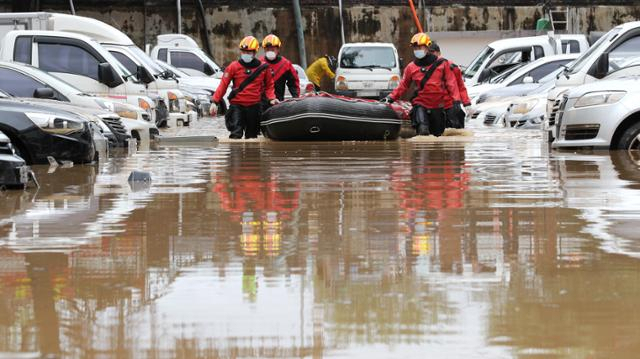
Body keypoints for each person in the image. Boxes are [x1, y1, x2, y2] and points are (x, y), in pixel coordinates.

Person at [381, 33, 460, 136]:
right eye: (415, 47)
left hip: (439, 106)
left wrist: (456, 101)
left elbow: (451, 84)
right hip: (421, 104)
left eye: (419, 47)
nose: (417, 49)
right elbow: (403, 85)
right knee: (423, 131)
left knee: (438, 134)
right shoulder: (411, 67)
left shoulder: (442, 64)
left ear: (427, 47)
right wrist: (391, 97)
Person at [210, 36, 278, 139]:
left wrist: (271, 99)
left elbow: (269, 86)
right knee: (235, 134)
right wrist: (215, 102)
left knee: (252, 136)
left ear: (255, 52)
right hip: (237, 107)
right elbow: (223, 85)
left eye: (249, 52)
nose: (246, 54)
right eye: (244, 52)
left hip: (254, 107)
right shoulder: (233, 67)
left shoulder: (264, 68)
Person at [430, 42, 471, 129]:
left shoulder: (452, 67)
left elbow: (460, 86)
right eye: (429, 53)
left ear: (439, 53)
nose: (431, 55)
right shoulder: (422, 69)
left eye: (433, 52)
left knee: (455, 135)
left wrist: (467, 103)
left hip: (451, 106)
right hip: (433, 108)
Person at [260, 34, 300, 102]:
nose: (270, 51)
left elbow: (293, 82)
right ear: (264, 50)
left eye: (272, 49)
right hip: (260, 103)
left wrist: (296, 98)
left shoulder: (285, 64)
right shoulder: (259, 63)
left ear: (278, 49)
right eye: (267, 49)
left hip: (278, 102)